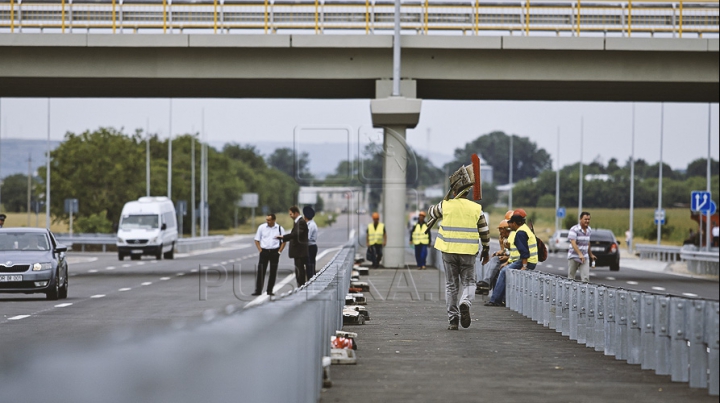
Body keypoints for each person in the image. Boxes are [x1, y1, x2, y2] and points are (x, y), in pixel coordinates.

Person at [427, 161, 490, 330]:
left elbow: (431, 212)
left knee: (451, 285)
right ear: (467, 193)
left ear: (454, 191)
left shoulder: (445, 205)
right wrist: (486, 248)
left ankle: (453, 320)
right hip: (468, 252)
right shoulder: (476, 208)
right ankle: (465, 302)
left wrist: (442, 203)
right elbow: (484, 231)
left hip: (448, 251)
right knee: (469, 283)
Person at [486, 210, 537, 307]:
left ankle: (495, 300)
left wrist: (524, 266)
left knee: (504, 271)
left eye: (510, 223)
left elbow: (524, 252)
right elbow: (515, 252)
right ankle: (499, 298)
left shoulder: (520, 233)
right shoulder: (524, 229)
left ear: (514, 223)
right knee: (504, 269)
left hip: (527, 262)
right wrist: (508, 261)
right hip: (528, 260)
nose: (509, 226)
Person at [252, 214, 286, 296]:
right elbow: (257, 240)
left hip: (275, 252)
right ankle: (258, 290)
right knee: (261, 271)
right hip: (264, 251)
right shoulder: (262, 227)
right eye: (266, 220)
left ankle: (269, 290)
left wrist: (279, 252)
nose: (267, 221)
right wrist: (260, 250)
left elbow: (284, 241)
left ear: (274, 220)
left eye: (269, 220)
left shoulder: (279, 228)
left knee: (273, 271)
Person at [476, 219, 512, 295]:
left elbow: (516, 253)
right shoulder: (503, 238)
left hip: (514, 260)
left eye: (501, 230)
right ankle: (486, 285)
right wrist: (498, 252)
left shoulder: (512, 238)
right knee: (494, 260)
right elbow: (504, 251)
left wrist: (506, 257)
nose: (500, 232)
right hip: (509, 259)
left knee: (496, 262)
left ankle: (486, 284)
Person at [278, 206, 309, 287]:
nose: (290, 216)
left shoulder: (301, 222)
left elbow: (296, 234)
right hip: (298, 252)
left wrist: (284, 237)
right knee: (298, 269)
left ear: (296, 213)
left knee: (300, 269)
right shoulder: (298, 222)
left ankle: (301, 285)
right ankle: (300, 285)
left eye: (291, 214)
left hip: (300, 251)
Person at [567, 211, 596, 283]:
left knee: (586, 278)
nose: (587, 221)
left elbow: (587, 243)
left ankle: (584, 293)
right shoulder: (574, 229)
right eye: (585, 219)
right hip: (573, 256)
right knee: (571, 278)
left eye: (588, 219)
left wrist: (591, 254)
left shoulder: (589, 230)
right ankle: (570, 293)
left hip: (584, 257)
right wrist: (579, 254)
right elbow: (573, 243)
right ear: (580, 219)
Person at [304, 206, 319, 279]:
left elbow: (307, 237)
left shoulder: (310, 225)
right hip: (312, 246)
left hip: (310, 247)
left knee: (309, 266)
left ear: (305, 216)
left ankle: (311, 281)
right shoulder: (312, 224)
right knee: (311, 265)